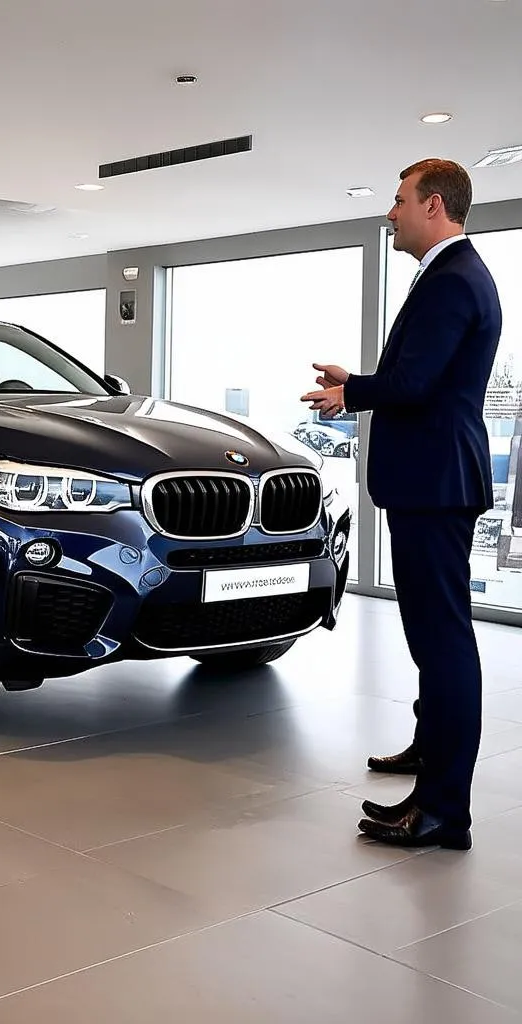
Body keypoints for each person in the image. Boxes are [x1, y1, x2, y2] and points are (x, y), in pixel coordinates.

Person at [301, 158, 502, 850]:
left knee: (443, 642)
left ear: (434, 207)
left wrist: (352, 390)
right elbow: (423, 378)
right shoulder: (453, 275)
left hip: (436, 485)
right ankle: (430, 759)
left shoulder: (454, 281)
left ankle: (446, 809)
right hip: (435, 482)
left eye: (398, 201)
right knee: (432, 638)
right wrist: (358, 382)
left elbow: (416, 384)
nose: (389, 213)